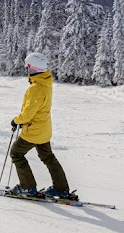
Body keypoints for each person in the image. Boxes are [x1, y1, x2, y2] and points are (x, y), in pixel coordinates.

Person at [8, 51, 76, 200]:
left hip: (33, 132)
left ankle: (27, 187)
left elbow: (27, 115)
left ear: (33, 68)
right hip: (44, 130)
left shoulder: (35, 88)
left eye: (28, 66)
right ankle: (61, 188)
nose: (26, 69)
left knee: (16, 153)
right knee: (48, 157)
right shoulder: (46, 83)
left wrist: (16, 120)